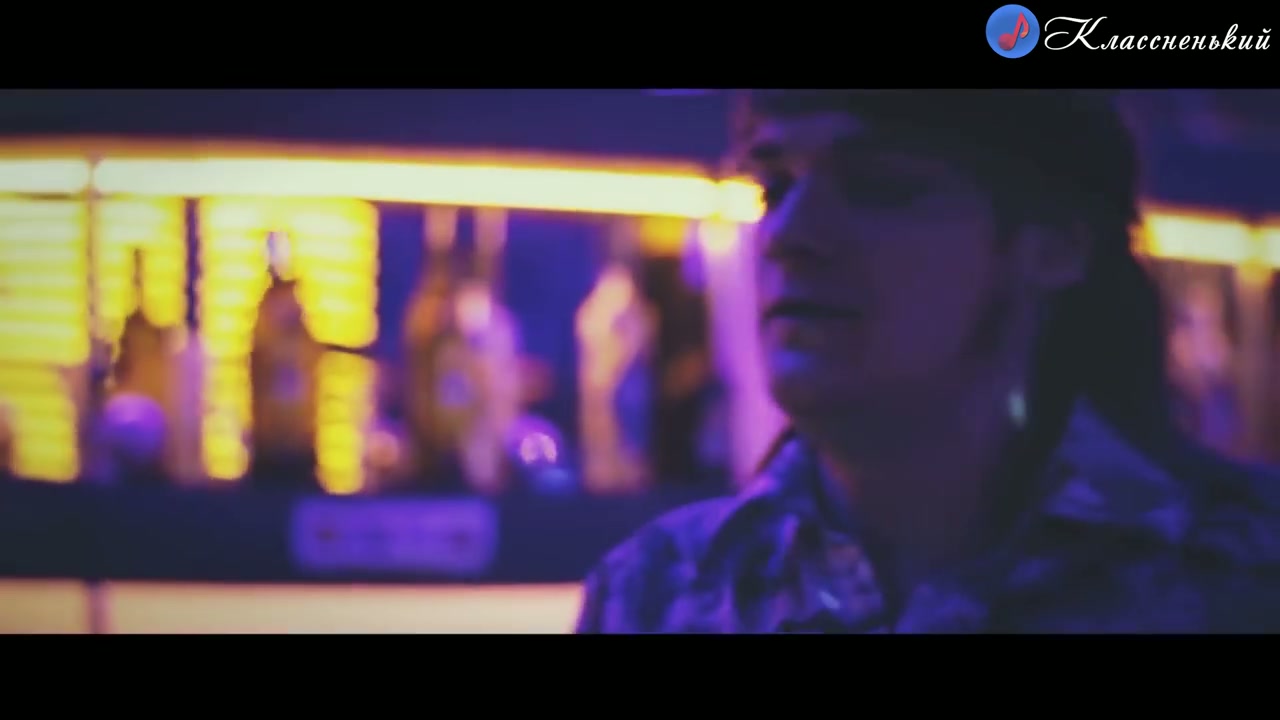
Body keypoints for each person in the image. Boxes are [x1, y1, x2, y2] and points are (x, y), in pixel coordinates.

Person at [574, 90, 1280, 633]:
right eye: (774, 187)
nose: (790, 234)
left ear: (1054, 246)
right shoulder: (660, 594)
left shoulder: (1239, 571)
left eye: (881, 186)